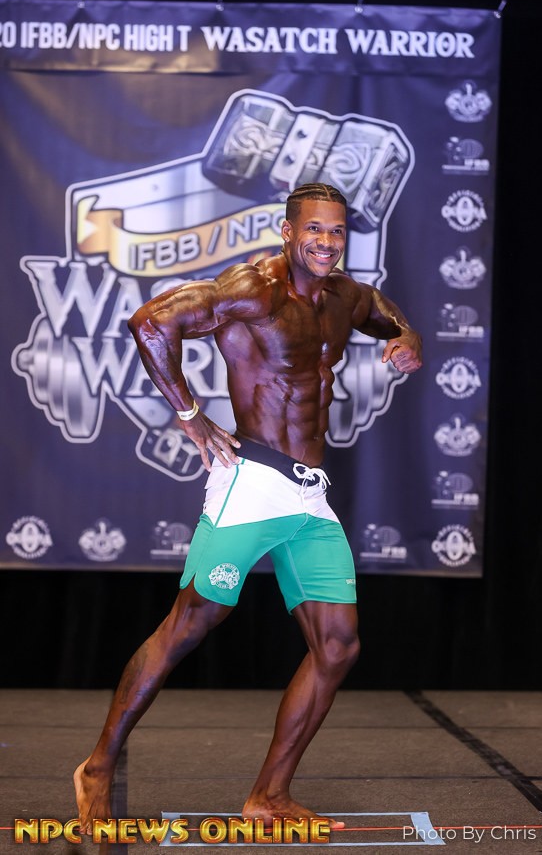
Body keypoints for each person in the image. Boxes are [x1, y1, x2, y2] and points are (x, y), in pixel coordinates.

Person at [74, 182, 422, 833]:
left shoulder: (343, 296)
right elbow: (150, 322)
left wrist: (408, 336)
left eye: (336, 231)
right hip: (253, 479)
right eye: (313, 229)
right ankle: (97, 766)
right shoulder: (254, 289)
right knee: (189, 625)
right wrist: (188, 413)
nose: (326, 241)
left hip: (308, 492)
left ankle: (269, 796)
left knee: (337, 646)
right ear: (288, 231)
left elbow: (380, 310)